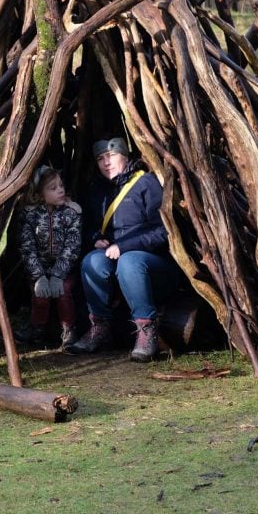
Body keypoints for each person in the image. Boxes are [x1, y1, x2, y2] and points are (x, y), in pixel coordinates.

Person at [66, 136, 179, 362]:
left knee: (130, 261)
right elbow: (87, 225)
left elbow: (163, 231)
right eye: (100, 158)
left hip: (152, 264)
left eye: (111, 156)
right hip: (112, 257)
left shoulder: (146, 184)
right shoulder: (96, 190)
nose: (106, 162)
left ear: (125, 156)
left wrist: (124, 246)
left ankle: (147, 330)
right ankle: (100, 327)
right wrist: (95, 237)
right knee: (92, 261)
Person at [17, 165, 82, 349]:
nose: (60, 190)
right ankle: (37, 328)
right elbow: (27, 248)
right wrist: (38, 276)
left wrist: (58, 274)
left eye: (61, 185)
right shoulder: (30, 215)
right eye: (53, 188)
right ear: (39, 193)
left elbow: (72, 247)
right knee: (40, 296)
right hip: (40, 269)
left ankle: (69, 329)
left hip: (64, 270)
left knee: (63, 292)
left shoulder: (72, 212)